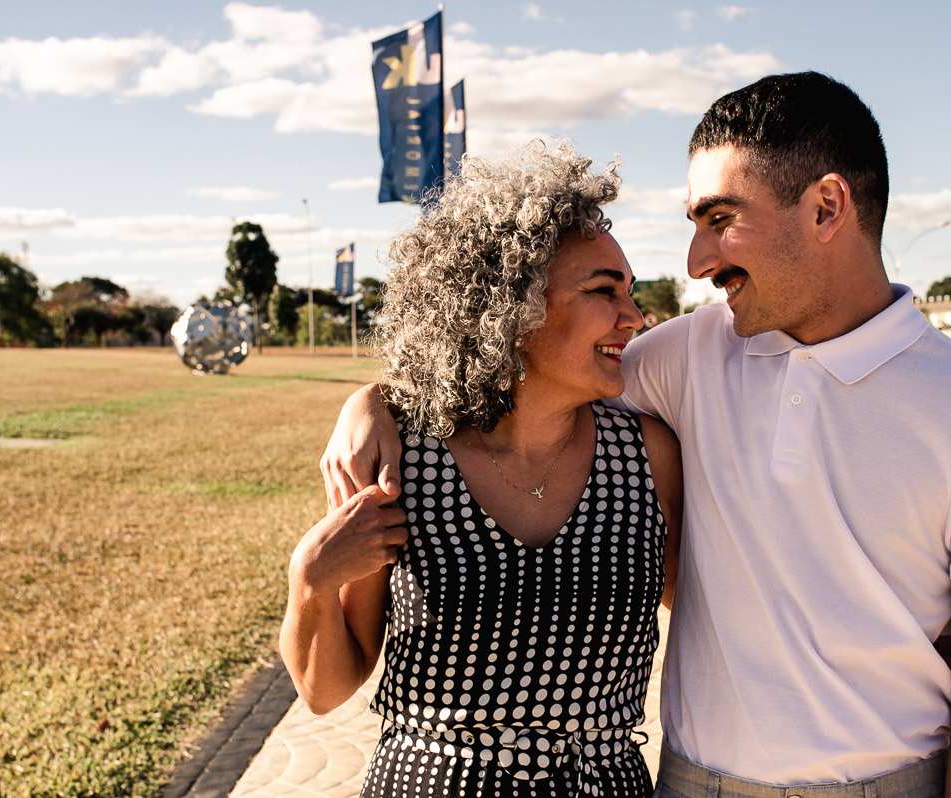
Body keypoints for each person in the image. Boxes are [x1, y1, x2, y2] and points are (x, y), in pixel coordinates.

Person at [322, 71, 951, 798]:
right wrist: (372, 401)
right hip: (691, 783)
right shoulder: (686, 353)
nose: (696, 261)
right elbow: (520, 372)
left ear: (827, 206)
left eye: (720, 218)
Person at [280, 141, 683, 798]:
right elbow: (325, 691)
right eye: (604, 291)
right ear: (511, 308)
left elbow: (709, 605)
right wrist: (310, 584)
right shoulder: (401, 459)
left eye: (631, 293)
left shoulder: (648, 455)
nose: (634, 318)